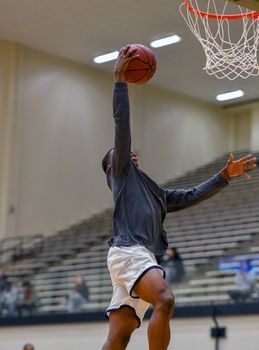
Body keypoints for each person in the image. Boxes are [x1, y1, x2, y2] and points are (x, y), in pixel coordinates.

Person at [101, 46, 257, 350]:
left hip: (138, 257)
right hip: (129, 253)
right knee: (165, 298)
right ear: (113, 163)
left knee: (118, 336)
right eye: (118, 152)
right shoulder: (120, 173)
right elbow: (122, 127)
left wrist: (224, 176)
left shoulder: (153, 192)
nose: (126, 151)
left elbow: (190, 196)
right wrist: (120, 80)